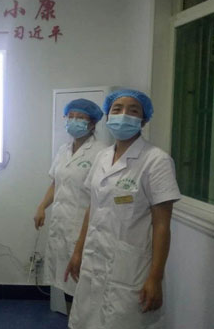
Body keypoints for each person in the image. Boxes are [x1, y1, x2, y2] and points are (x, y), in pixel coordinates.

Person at [65, 89, 181, 329]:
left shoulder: (156, 160)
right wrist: (77, 252)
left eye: (133, 110)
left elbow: (162, 225)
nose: (123, 115)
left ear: (144, 120)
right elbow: (92, 208)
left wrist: (155, 277)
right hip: (94, 259)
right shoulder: (102, 157)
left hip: (130, 268)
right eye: (117, 109)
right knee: (86, 320)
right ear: (108, 116)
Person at [34, 98, 106, 314]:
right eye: (71, 116)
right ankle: (71, 321)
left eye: (80, 117)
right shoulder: (63, 150)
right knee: (65, 279)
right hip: (61, 224)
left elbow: (99, 195)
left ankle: (82, 321)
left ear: (92, 123)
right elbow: (56, 183)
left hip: (84, 227)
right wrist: (41, 206)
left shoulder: (101, 152)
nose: (74, 121)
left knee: (82, 281)